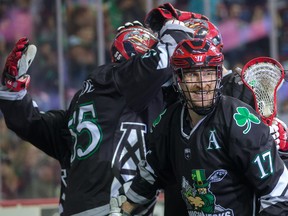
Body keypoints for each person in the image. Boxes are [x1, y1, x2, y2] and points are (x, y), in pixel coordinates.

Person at [0, 17, 197, 215]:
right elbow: (161, 65)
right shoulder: (121, 80)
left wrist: (12, 91)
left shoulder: (89, 104)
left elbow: (32, 124)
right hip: (109, 208)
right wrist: (175, 31)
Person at [115, 38, 288, 215]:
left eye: (208, 73)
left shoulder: (240, 120)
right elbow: (151, 174)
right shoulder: (168, 121)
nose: (202, 84)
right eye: (192, 74)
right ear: (179, 79)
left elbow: (279, 194)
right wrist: (123, 210)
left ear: (218, 76)